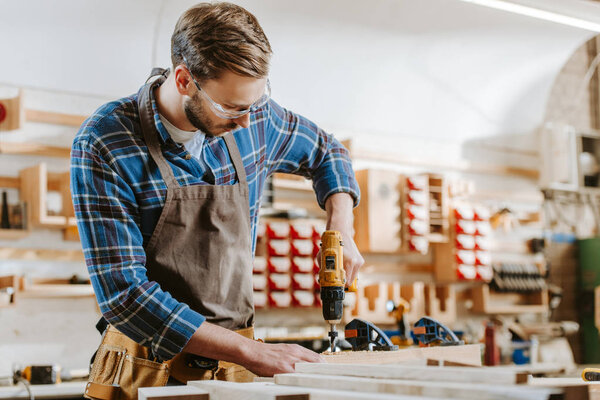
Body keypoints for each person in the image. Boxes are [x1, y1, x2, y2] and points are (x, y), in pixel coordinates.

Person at [71, 1, 363, 391]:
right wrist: (256, 353)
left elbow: (330, 152)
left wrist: (341, 228)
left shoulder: (255, 119)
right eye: (230, 107)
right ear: (184, 80)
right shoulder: (106, 142)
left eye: (253, 104)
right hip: (145, 372)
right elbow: (125, 295)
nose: (245, 121)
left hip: (237, 368)